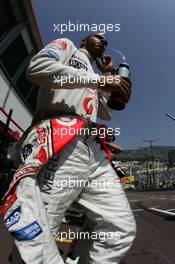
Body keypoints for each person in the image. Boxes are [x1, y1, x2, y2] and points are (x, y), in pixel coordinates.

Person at [2, 33, 136, 264]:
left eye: (106, 41)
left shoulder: (92, 75)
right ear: (84, 40)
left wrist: (107, 79)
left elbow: (105, 111)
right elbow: (38, 68)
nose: (103, 42)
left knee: (119, 230)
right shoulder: (67, 46)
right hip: (60, 135)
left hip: (90, 145)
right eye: (98, 37)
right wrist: (100, 80)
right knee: (42, 230)